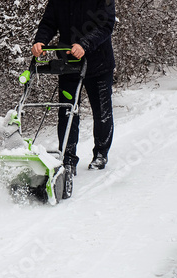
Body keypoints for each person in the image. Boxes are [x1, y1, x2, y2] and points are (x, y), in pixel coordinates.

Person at [31, 0, 116, 174]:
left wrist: (84, 44)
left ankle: (101, 153)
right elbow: (49, 22)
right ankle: (68, 158)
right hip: (68, 64)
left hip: (99, 63)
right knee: (67, 111)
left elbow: (105, 25)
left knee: (101, 111)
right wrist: (40, 41)